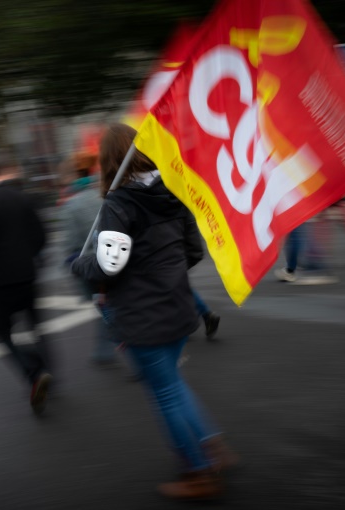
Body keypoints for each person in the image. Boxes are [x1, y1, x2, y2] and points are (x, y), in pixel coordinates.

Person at [71, 124, 235, 499]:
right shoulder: (173, 192)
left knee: (165, 395)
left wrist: (77, 265)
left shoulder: (119, 203)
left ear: (107, 161)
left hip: (142, 315)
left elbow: (108, 266)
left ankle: (198, 473)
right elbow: (193, 251)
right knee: (174, 386)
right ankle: (211, 446)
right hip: (177, 307)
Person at [0, 149, 52, 416]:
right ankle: (48, 370)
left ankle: (33, 370)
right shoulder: (22, 197)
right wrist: (28, 255)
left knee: (1, 332)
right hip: (28, 274)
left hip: (4, 280)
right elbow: (41, 236)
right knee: (36, 324)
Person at [59, 152, 118, 366]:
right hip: (114, 258)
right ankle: (103, 351)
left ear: (74, 174)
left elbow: (71, 242)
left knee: (106, 308)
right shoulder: (104, 194)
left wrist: (68, 265)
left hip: (91, 265)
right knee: (109, 305)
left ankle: (136, 356)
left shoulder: (71, 205)